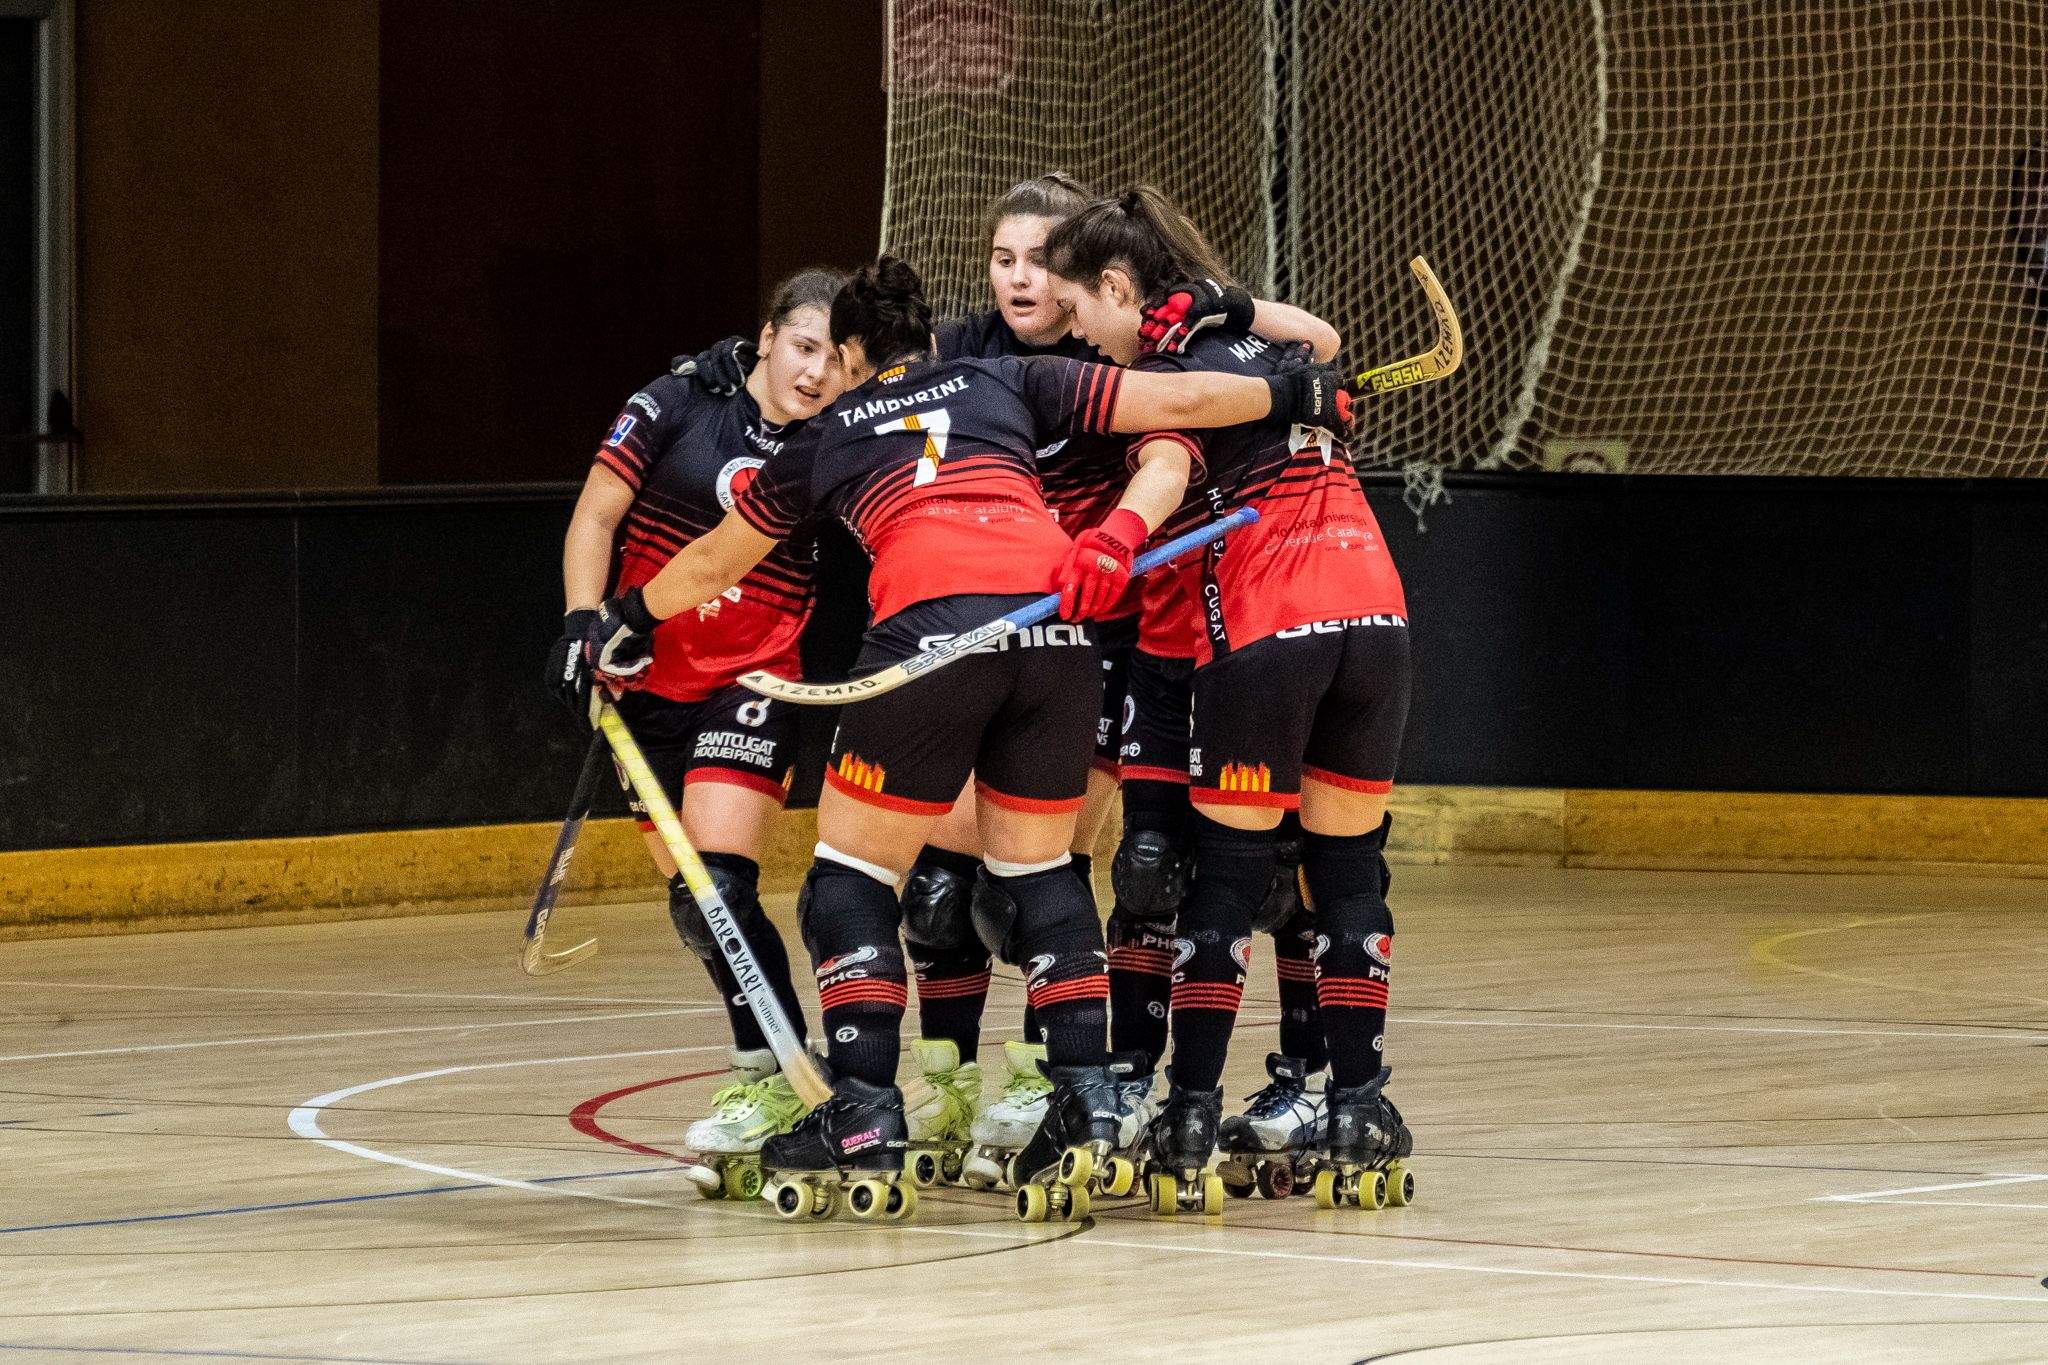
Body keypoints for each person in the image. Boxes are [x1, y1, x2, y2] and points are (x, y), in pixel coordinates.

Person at [581, 255, 1352, 1220]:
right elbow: (1180, 398)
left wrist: (623, 619)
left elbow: (710, 562)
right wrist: (1293, 392)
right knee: (1041, 877)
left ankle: (864, 1109)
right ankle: (1085, 1101)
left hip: (934, 634)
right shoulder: (1007, 378)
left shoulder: (826, 433)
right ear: (930, 340)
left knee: (849, 881)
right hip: (1056, 634)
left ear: (852, 355)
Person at [900, 173, 1344, 1186]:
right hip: (985, 625)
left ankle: (1056, 1077)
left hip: (1113, 634)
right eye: (1002, 259)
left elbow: (1194, 432)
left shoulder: (1129, 355)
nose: (1021, 279)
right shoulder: (962, 354)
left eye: (1038, 261)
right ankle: (949, 1087)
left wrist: (1229, 311)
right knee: (940, 891)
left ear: (1085, 274)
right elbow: (900, 440)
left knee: (1078, 874)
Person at [1046, 186, 1415, 1215]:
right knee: (1347, 873)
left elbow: (1165, 468)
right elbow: (1325, 336)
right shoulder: (1275, 351)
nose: (1079, 336)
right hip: (1377, 617)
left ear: (1117, 287)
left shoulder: (1168, 376)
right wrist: (1235, 304)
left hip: (1268, 628)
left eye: (1080, 311)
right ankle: (1357, 1108)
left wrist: (1113, 539)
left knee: (1228, 875)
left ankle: (1192, 1111)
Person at [545, 269, 849, 1199]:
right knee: (696, 907)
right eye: (803, 348)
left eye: (836, 361)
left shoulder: (839, 440)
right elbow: (598, 511)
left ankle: (776, 1079)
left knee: (721, 885)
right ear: (768, 337)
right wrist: (581, 623)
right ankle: (778, 1070)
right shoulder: (675, 402)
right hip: (646, 688)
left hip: (756, 679)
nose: (815, 373)